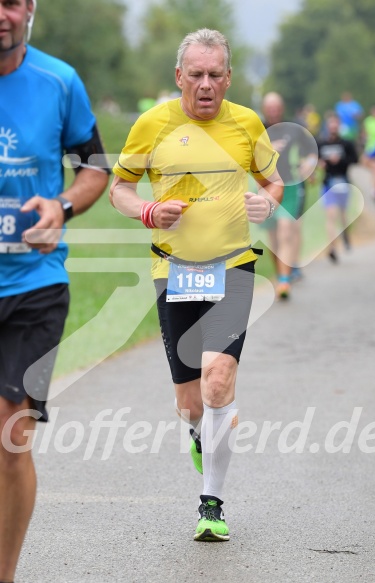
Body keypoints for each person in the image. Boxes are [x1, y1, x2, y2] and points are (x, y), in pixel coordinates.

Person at [110, 29, 283, 542]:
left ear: (228, 79)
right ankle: (198, 433)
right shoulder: (153, 123)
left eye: (215, 76)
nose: (205, 85)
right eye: (197, 74)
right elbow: (119, 187)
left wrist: (268, 201)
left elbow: (273, 179)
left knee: (217, 382)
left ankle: (212, 504)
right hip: (174, 269)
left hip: (232, 266)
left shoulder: (247, 124)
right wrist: (146, 210)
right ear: (179, 76)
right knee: (190, 402)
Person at [0, 1, 109, 581]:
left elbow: (94, 168)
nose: (1, 13)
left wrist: (61, 206)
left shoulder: (59, 81)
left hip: (36, 285)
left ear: (30, 10)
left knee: (8, 433)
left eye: (11, 0)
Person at [260, 92, 316, 299]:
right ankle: (282, 273)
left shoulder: (293, 129)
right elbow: (246, 157)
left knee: (286, 230)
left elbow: (311, 149)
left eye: (277, 107)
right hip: (265, 187)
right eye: (270, 107)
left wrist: (309, 163)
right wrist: (268, 150)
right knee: (273, 236)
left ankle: (284, 281)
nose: (273, 111)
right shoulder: (258, 130)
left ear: (281, 107)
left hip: (289, 185)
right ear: (265, 109)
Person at [317, 112, 358, 262]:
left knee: (342, 215)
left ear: (339, 125)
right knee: (331, 216)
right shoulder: (321, 143)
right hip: (328, 183)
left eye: (335, 123)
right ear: (327, 126)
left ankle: (345, 235)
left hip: (343, 182)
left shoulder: (346, 144)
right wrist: (320, 163)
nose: (333, 126)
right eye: (330, 123)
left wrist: (340, 160)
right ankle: (332, 248)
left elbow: (355, 159)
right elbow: (315, 159)